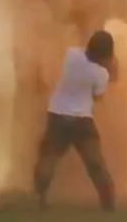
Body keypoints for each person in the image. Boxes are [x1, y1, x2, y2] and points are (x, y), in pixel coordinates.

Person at [33, 29, 120, 212]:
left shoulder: (72, 55)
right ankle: (108, 203)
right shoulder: (100, 74)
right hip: (81, 121)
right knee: (95, 163)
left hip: (57, 114)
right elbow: (98, 97)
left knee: (49, 158)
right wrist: (112, 69)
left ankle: (39, 198)